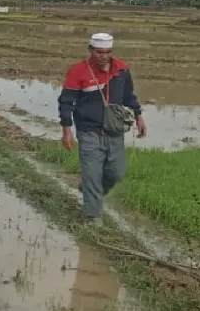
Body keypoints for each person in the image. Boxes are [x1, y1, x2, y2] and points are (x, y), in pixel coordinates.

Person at [58, 32, 147, 224]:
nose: (103, 56)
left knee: (116, 173)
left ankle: (91, 193)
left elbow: (128, 95)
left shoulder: (122, 69)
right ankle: (93, 217)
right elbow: (66, 102)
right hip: (88, 130)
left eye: (107, 52)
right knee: (92, 174)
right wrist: (67, 130)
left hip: (114, 130)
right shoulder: (78, 71)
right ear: (90, 50)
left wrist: (138, 115)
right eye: (99, 52)